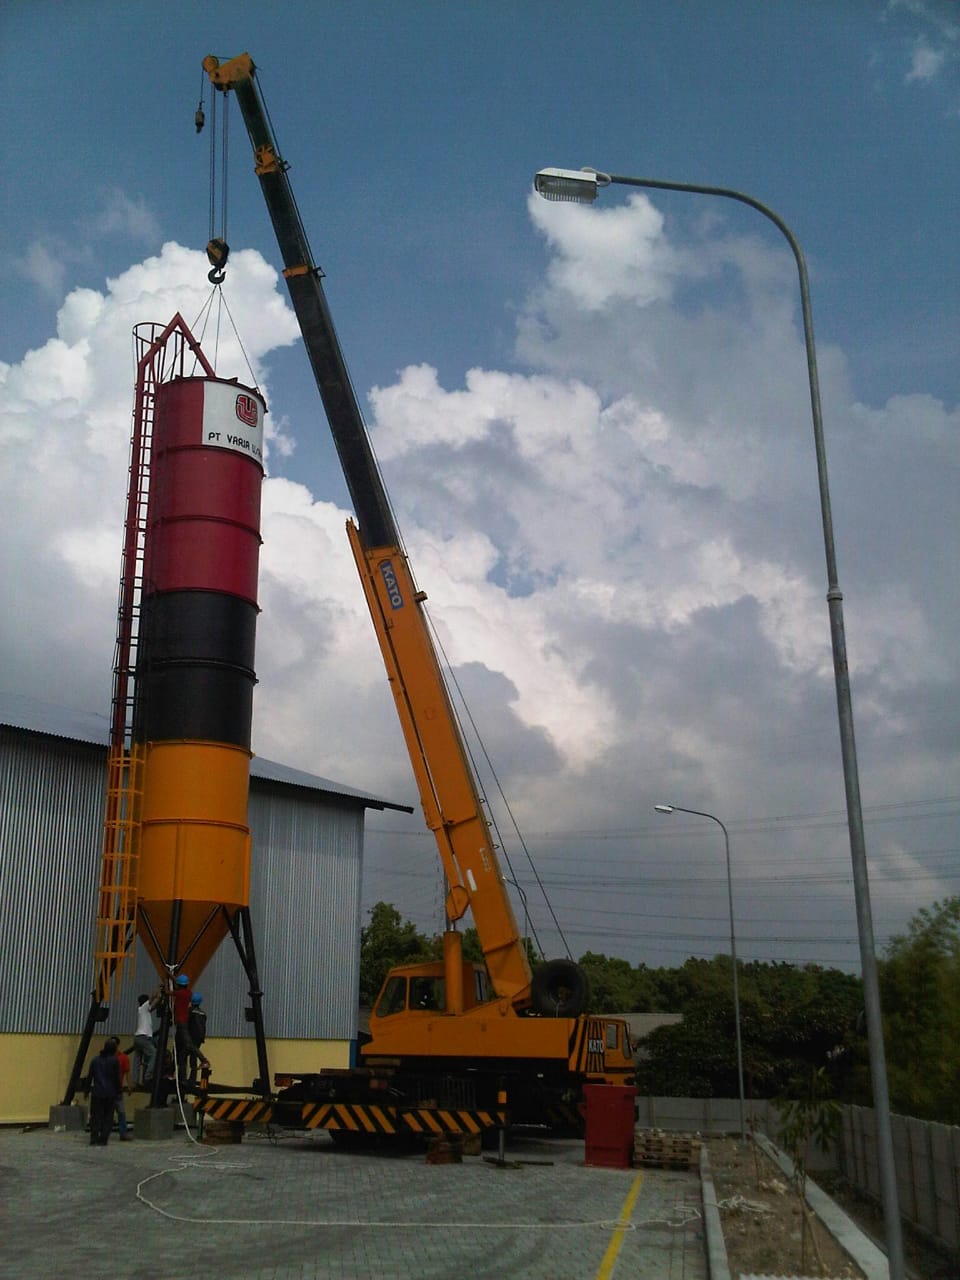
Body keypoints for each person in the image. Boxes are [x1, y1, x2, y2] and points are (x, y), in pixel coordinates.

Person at [86, 1038, 122, 1146]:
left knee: (95, 1116)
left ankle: (94, 1137)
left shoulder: (95, 1060)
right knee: (108, 1116)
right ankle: (103, 1138)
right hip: (110, 1093)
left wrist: (86, 1090)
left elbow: (90, 1076)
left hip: (97, 1092)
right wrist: (119, 1091)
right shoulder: (115, 1061)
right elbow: (116, 1078)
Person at [133, 988, 161, 1084]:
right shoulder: (144, 1007)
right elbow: (154, 997)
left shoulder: (143, 1010)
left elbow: (154, 1003)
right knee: (154, 1053)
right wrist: (159, 987)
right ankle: (148, 1076)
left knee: (137, 1059)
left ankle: (134, 1081)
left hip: (137, 1037)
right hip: (143, 1037)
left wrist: (158, 999)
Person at [185, 992, 210, 1088]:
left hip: (190, 1037)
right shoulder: (203, 1013)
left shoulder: (189, 1011)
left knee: (182, 1056)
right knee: (193, 1057)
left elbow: (185, 1023)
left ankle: (180, 1078)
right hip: (199, 1038)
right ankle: (192, 1079)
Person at [114, 1043, 132, 1140]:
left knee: (121, 1113)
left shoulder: (122, 1058)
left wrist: (130, 1085)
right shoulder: (111, 1058)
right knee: (118, 1112)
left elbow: (127, 1072)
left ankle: (123, 1133)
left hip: (116, 1090)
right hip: (111, 1090)